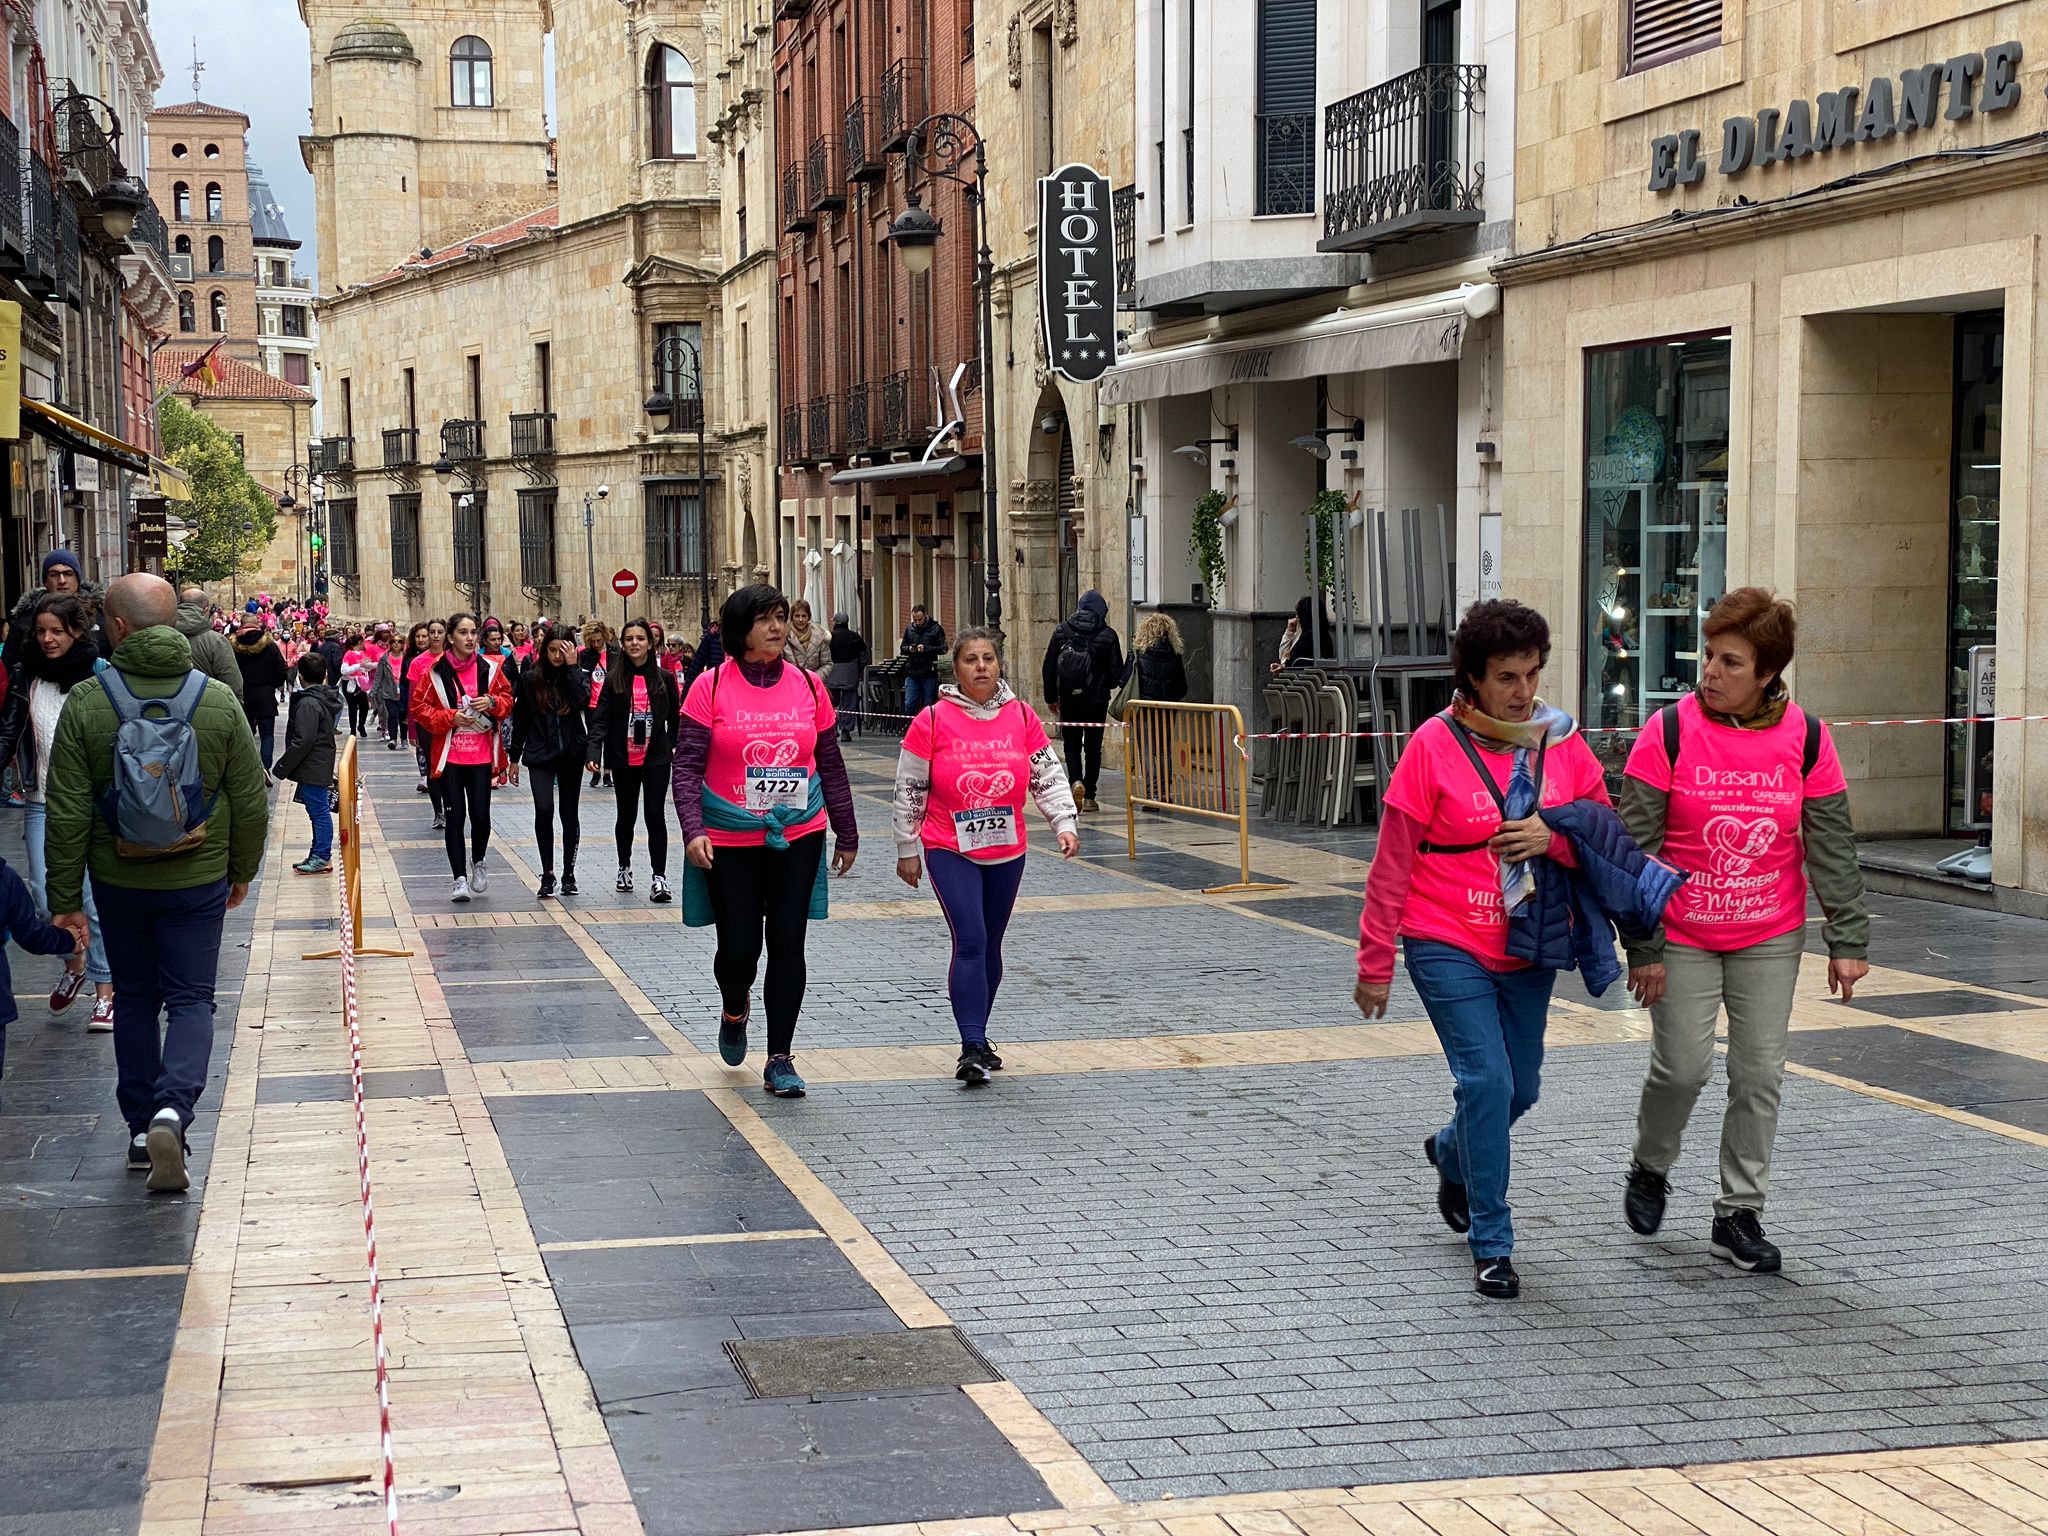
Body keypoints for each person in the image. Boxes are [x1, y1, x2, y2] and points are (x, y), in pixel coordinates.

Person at [1354, 599, 1642, 1300]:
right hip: (1443, 934)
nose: (1523, 691)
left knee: (1522, 1088)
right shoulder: (1433, 745)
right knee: (1485, 1083)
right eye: (1507, 677)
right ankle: (1493, 1242)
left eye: (1532, 674)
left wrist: (1554, 837)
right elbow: (1393, 862)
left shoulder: (1561, 743)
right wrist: (1374, 962)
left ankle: (1453, 1152)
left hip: (1528, 937)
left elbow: (1603, 832)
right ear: (1474, 678)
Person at [1618, 588, 1870, 1274]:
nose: (1711, 672)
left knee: (1759, 1072)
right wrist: (1642, 947)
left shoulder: (1808, 740)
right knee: (1683, 1069)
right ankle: (1651, 1164)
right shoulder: (1667, 732)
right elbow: (1632, 849)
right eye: (1708, 656)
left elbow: (1831, 844)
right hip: (1682, 931)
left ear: (1768, 673)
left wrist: (1847, 939)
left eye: (1731, 662)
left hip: (1768, 930)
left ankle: (1738, 1214)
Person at [44, 573, 269, 1193]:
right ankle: (176, 1108)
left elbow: (65, 810)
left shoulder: (88, 702)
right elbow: (251, 803)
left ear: (115, 627)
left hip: (119, 878)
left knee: (137, 998)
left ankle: (143, 1129)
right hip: (198, 875)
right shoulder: (218, 700)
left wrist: (65, 902)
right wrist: (241, 870)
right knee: (193, 998)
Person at [674, 584, 858, 1099]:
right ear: (740, 629)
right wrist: (693, 829)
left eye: (780, 617)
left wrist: (846, 829)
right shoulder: (709, 687)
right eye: (764, 619)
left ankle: (780, 1057)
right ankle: (735, 1008)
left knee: (787, 942)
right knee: (738, 950)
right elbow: (686, 768)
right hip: (729, 836)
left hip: (796, 834)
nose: (777, 627)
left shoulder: (807, 685)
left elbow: (830, 763)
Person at [892, 628, 1080, 1085]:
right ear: (955, 670)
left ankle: (980, 1034)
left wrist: (1064, 823)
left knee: (991, 944)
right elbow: (910, 786)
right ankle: (971, 1044)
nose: (981, 666)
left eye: (989, 659)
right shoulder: (932, 720)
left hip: (1006, 848)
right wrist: (906, 846)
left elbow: (1046, 773)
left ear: (999, 666)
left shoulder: (1020, 715)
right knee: (971, 939)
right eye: (971, 659)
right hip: (948, 845)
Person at [0, 594, 114, 1026]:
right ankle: (74, 961)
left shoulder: (101, 675)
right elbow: (9, 731)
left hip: (90, 804)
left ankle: (106, 990)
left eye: (57, 632)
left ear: (78, 633)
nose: (47, 640)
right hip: (39, 800)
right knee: (46, 898)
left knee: (91, 899)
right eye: (41, 631)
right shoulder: (25, 675)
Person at [409, 612, 515, 903]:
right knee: (456, 816)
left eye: (473, 633)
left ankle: (478, 861)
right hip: (450, 756)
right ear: (450, 637)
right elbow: (420, 708)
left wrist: (492, 702)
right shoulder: (433, 672)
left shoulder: (491, 669)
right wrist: (450, 717)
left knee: (481, 815)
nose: (470, 638)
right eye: (463, 633)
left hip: (481, 755)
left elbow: (507, 699)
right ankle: (458, 879)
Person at [589, 617, 680, 901]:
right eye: (629, 639)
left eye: (640, 638)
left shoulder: (664, 679)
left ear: (650, 643)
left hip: (656, 758)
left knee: (655, 815)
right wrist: (594, 751)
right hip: (623, 758)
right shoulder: (615, 678)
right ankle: (624, 867)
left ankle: (659, 877)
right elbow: (601, 717)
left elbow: (676, 719)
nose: (635, 643)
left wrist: (677, 749)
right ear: (623, 643)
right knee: (626, 816)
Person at [511, 624, 590, 898]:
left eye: (563, 651)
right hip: (539, 753)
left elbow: (583, 701)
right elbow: (521, 718)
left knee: (569, 813)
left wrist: (572, 668)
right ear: (544, 651)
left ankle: (569, 872)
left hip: (571, 753)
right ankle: (547, 873)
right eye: (553, 650)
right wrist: (513, 757)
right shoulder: (531, 678)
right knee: (544, 809)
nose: (557, 656)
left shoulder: (576, 675)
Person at [1041, 590, 1123, 813]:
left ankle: (1075, 780)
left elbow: (1048, 666)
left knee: (1071, 744)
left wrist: (1051, 698)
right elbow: (1116, 676)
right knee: (1094, 748)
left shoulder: (1062, 631)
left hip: (1069, 700)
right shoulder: (1108, 635)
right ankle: (1090, 796)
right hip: (1097, 701)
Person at [273, 653, 343, 874]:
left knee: (319, 812)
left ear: (300, 677)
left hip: (313, 765)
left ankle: (322, 856)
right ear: (324, 675)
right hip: (318, 763)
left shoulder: (309, 704)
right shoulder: (322, 699)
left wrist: (282, 766)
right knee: (317, 811)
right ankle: (318, 853)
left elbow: (304, 740)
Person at [3, 549, 105, 672]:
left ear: (78, 579)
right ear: (45, 581)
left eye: (68, 574)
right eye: (54, 574)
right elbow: (9, 667)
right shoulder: (25, 621)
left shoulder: (100, 616)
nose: (62, 581)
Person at [231, 618, 288, 776]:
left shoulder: (234, 647)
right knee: (267, 735)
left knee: (245, 735)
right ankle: (265, 767)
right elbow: (282, 669)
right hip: (265, 695)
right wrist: (273, 684)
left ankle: (247, 768)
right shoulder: (269, 646)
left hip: (243, 695)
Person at [407, 618, 450, 826]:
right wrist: (412, 730)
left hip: (450, 720)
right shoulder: (418, 662)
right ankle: (438, 811)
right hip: (426, 722)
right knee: (434, 766)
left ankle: (451, 807)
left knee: (450, 766)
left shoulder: (453, 659)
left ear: (446, 634)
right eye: (431, 631)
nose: (434, 636)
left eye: (439, 631)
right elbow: (413, 697)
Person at [175, 587, 244, 706]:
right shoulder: (216, 641)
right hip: (207, 708)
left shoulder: (163, 633)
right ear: (206, 610)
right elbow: (232, 681)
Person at [580, 620, 615, 790]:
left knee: (610, 737)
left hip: (610, 703)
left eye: (598, 640)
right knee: (594, 736)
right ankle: (595, 769)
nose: (596, 644)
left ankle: (608, 771)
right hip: (592, 703)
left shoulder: (615, 653)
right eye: (592, 641)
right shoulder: (586, 655)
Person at [1130, 612, 1190, 703]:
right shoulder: (1175, 656)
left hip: (1142, 709)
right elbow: (1182, 689)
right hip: (1168, 711)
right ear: (1170, 632)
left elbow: (1124, 682)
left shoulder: (1136, 654)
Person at [826, 612, 866, 742]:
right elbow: (864, 656)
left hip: (832, 675)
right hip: (850, 675)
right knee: (849, 704)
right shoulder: (855, 637)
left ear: (835, 622)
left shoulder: (829, 638)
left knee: (831, 703)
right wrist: (857, 670)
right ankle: (846, 730)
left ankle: (832, 727)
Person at [899, 604, 945, 714]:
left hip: (928, 673)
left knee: (928, 705)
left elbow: (943, 648)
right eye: (915, 620)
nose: (918, 622)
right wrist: (910, 649)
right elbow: (902, 647)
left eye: (920, 619)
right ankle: (911, 727)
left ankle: (927, 728)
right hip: (912, 673)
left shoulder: (935, 628)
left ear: (925, 615)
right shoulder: (910, 629)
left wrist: (926, 649)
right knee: (909, 704)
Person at [370, 624, 406, 749]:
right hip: (388, 692)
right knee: (392, 714)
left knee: (402, 715)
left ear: (403, 644)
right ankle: (393, 739)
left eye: (399, 641)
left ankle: (404, 738)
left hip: (403, 692)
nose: (396, 644)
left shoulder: (407, 659)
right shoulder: (384, 659)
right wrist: (373, 692)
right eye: (394, 642)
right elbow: (378, 677)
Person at [339, 631, 373, 738]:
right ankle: (353, 729)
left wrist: (367, 667)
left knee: (364, 706)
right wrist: (358, 665)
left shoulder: (363, 654)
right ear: (359, 642)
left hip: (361, 683)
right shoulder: (348, 654)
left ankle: (361, 725)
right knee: (352, 707)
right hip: (350, 682)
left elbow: (365, 668)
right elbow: (344, 670)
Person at [786, 599, 831, 673]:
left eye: (804, 616)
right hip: (792, 682)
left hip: (813, 683)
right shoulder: (784, 637)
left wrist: (814, 678)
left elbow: (827, 663)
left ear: (809, 617)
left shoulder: (820, 636)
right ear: (791, 617)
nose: (800, 619)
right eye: (797, 616)